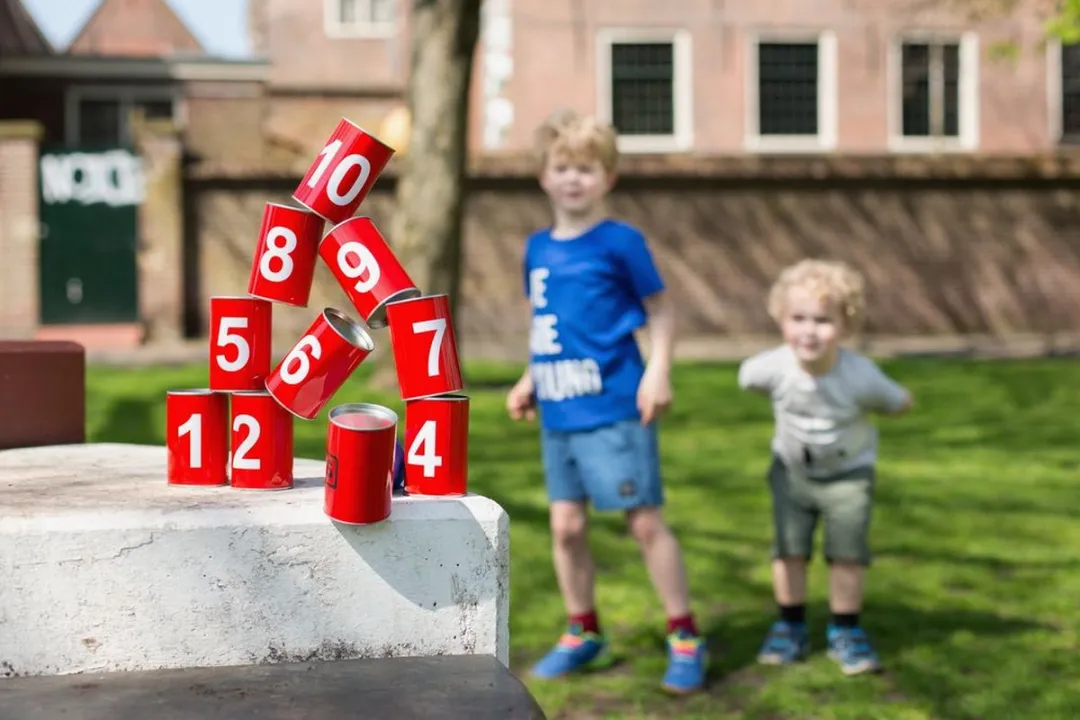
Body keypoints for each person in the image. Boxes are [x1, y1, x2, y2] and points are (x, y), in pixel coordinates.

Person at [504, 109, 707, 694]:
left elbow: (661, 309)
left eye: (586, 169)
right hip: (559, 410)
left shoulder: (621, 242)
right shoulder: (536, 248)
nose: (573, 179)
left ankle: (685, 634)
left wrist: (659, 370)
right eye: (562, 167)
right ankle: (582, 630)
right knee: (566, 527)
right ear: (543, 176)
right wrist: (528, 378)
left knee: (644, 522)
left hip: (617, 404)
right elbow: (548, 324)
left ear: (607, 177)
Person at [737, 259, 913, 676]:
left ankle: (845, 631)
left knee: (847, 555)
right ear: (781, 319)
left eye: (822, 320)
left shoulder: (860, 375)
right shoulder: (770, 368)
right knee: (789, 550)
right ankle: (790, 626)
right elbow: (748, 378)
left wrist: (897, 404)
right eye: (798, 318)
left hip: (849, 476)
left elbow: (896, 401)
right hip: (791, 473)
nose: (809, 331)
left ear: (845, 325)